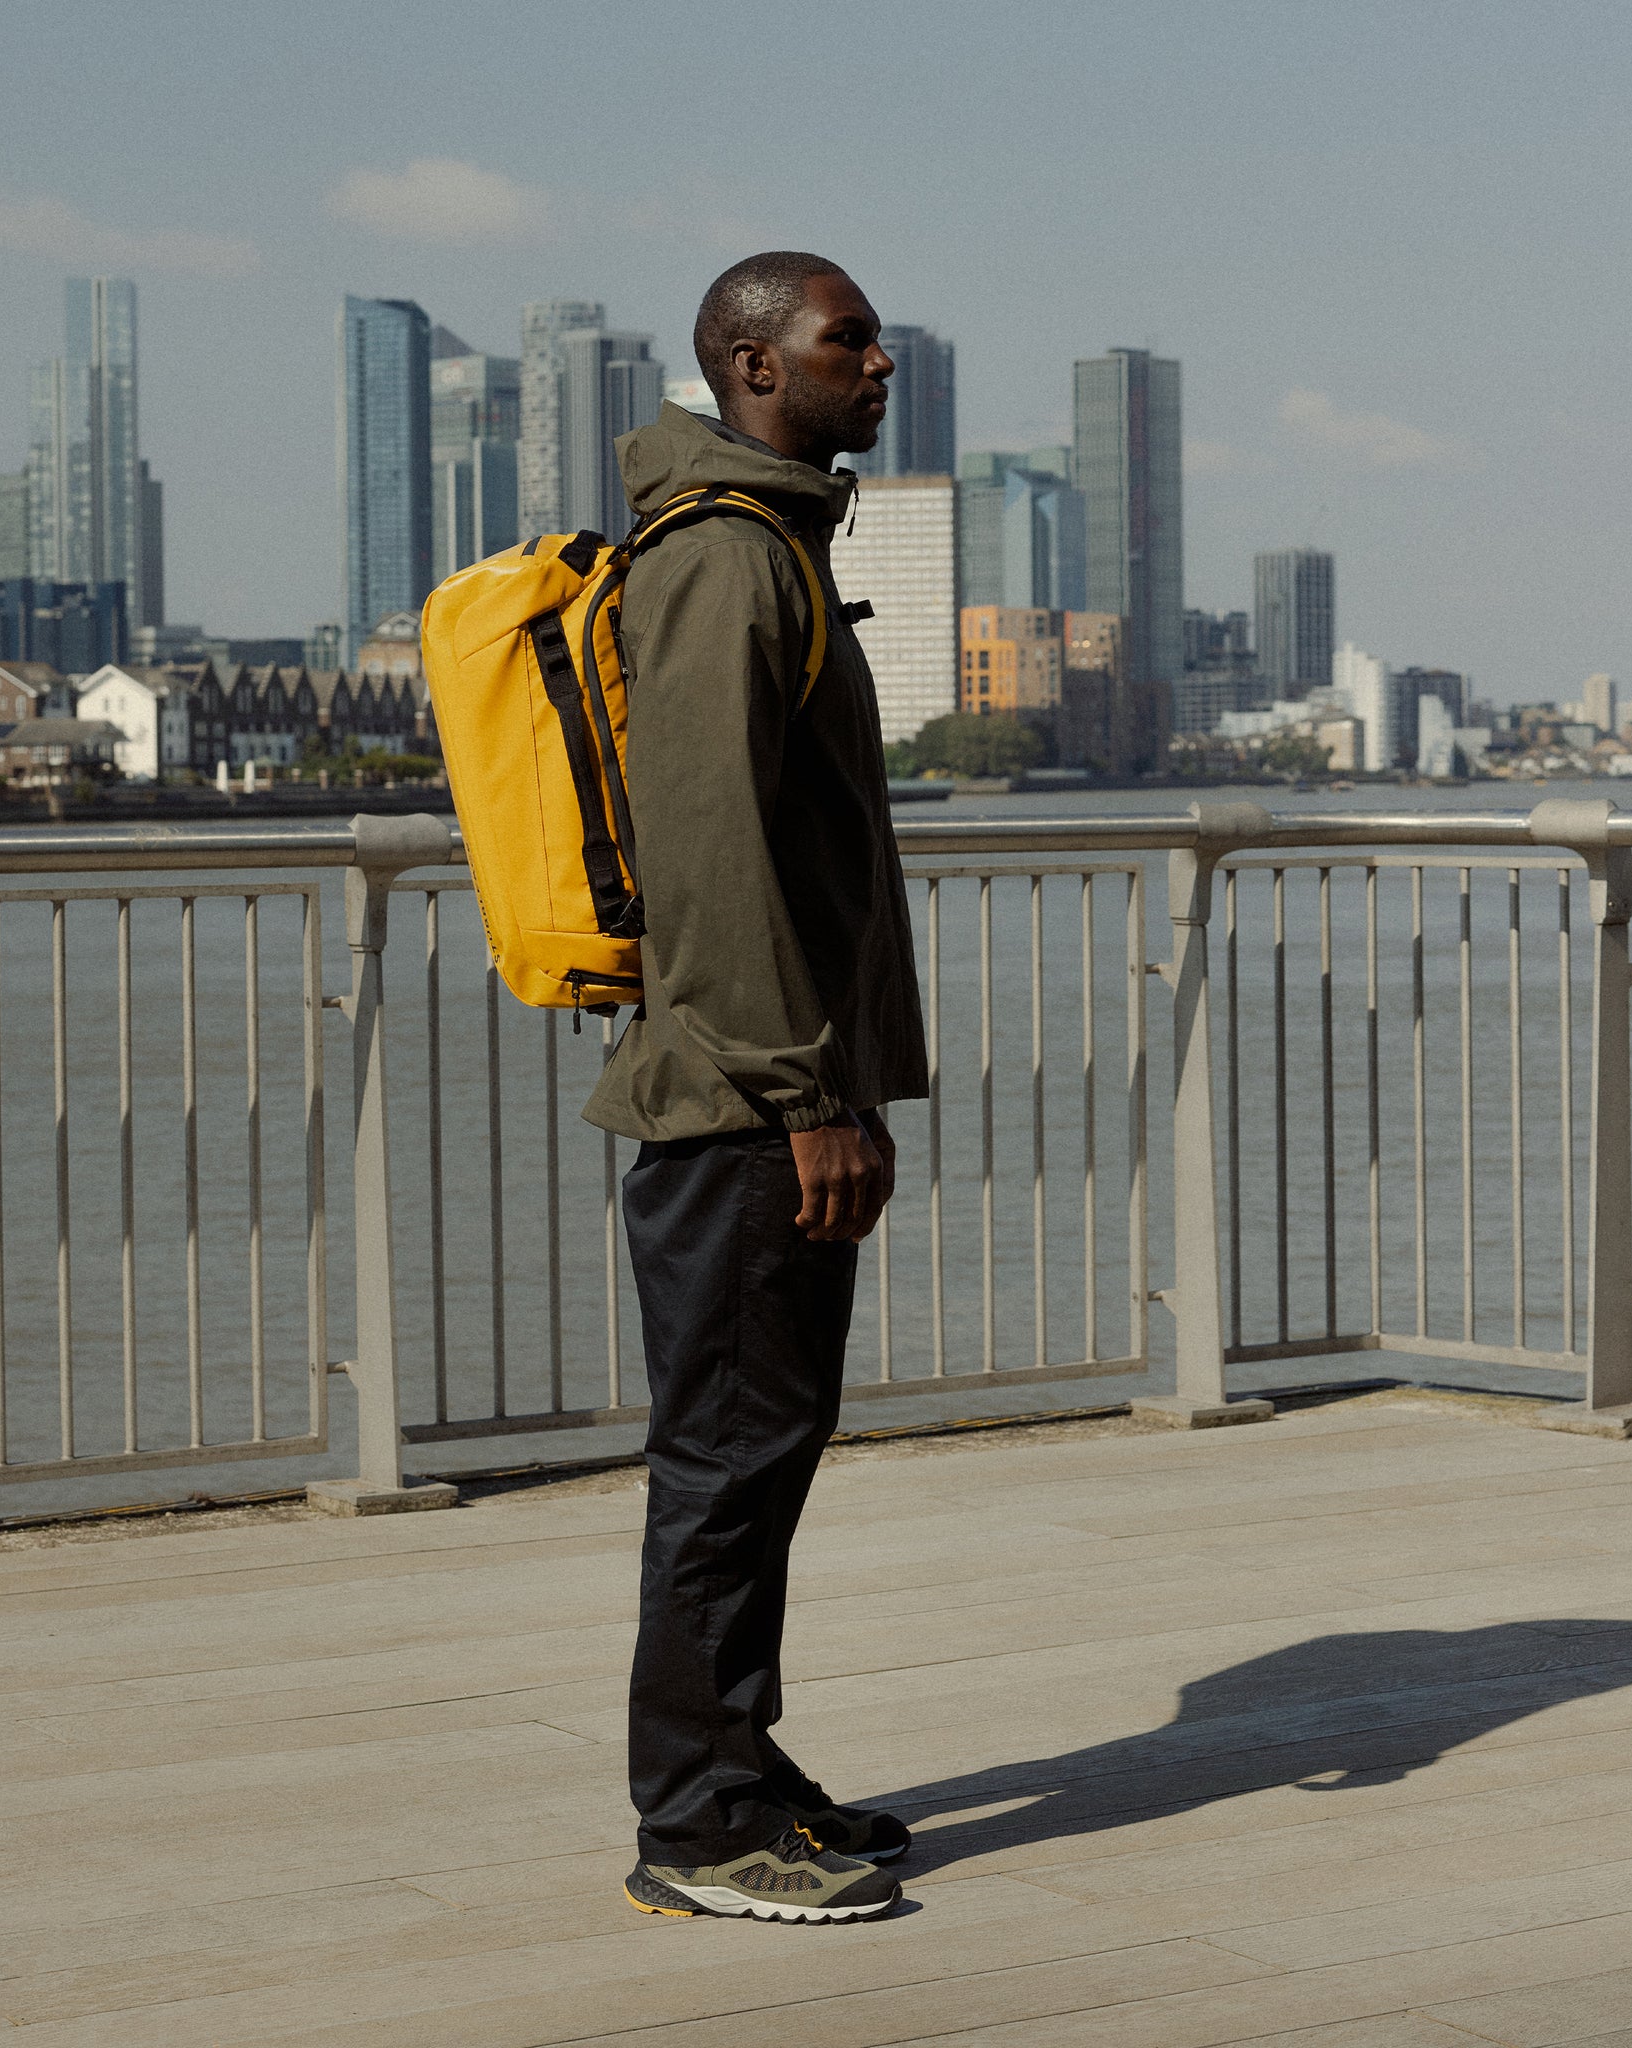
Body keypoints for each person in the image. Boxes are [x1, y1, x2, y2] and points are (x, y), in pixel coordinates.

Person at [584, 252, 930, 1924]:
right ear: (750, 363)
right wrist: (808, 1096)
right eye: (846, 339)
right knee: (725, 1458)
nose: (884, 361)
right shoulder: (726, 561)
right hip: (739, 1105)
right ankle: (700, 1824)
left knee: (765, 1443)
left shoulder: (769, 540)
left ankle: (743, 1762)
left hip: (764, 1092)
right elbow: (716, 864)